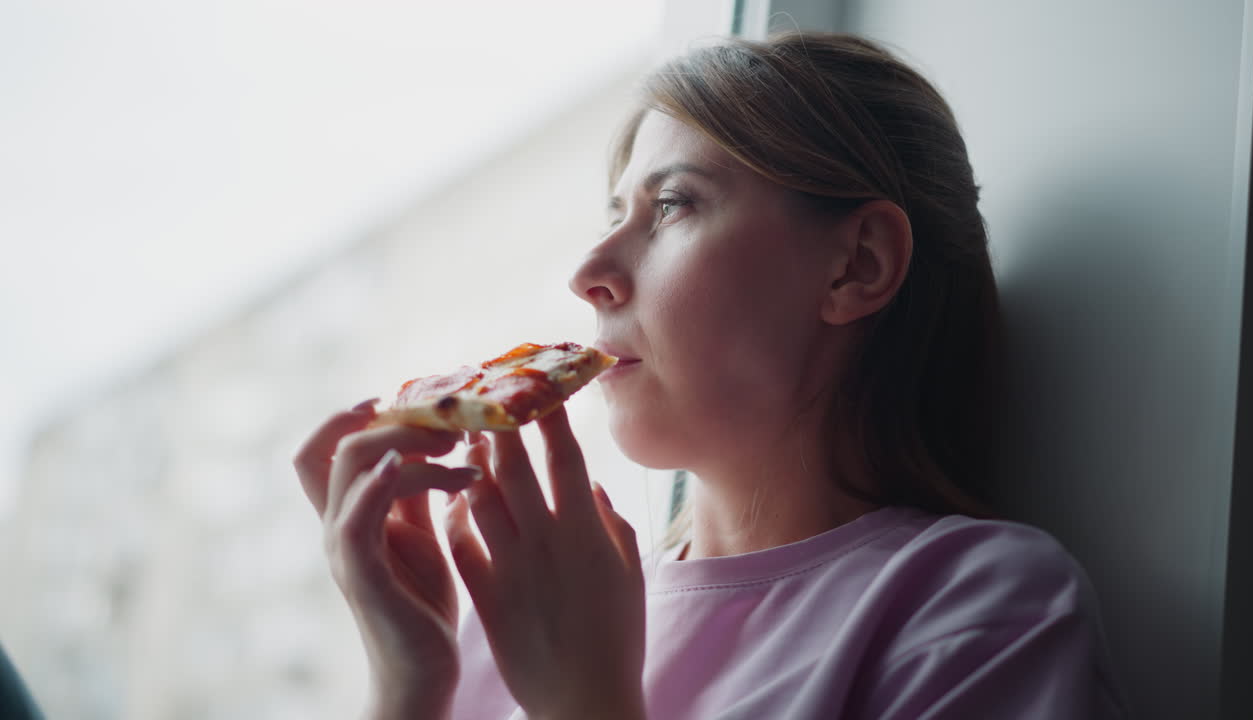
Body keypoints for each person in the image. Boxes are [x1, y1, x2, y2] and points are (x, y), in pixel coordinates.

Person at [293, 31, 1128, 719]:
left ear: (856, 266)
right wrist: (409, 684)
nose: (589, 271)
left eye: (672, 205)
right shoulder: (514, 620)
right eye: (613, 214)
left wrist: (588, 706)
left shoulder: (977, 609)